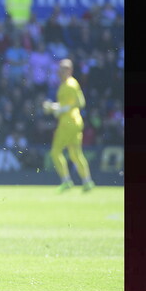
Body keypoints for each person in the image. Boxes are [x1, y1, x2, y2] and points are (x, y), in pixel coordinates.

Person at [42, 58, 95, 192]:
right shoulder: (66, 84)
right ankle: (87, 181)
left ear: (70, 70)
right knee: (75, 154)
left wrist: (60, 109)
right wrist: (54, 107)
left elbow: (80, 102)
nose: (61, 71)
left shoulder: (70, 84)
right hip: (74, 122)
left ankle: (66, 180)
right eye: (60, 68)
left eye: (64, 69)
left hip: (68, 123)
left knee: (55, 152)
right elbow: (68, 104)